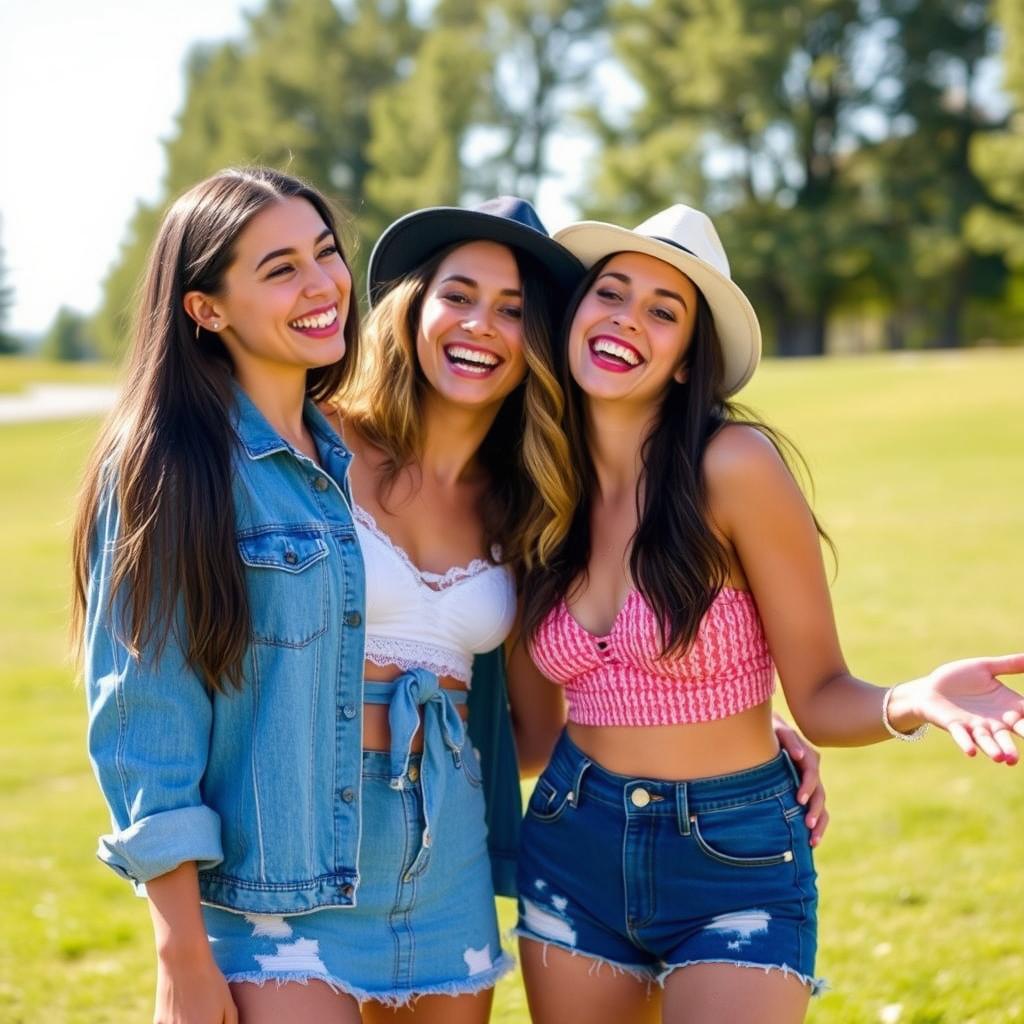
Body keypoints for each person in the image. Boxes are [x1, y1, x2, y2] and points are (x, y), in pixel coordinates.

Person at [512, 204, 1024, 1024]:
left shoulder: (734, 468)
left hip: (734, 852)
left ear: (686, 361)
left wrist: (913, 699)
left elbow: (820, 693)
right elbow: (531, 738)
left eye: (662, 310)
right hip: (572, 836)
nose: (627, 320)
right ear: (575, 318)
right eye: (611, 293)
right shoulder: (538, 494)